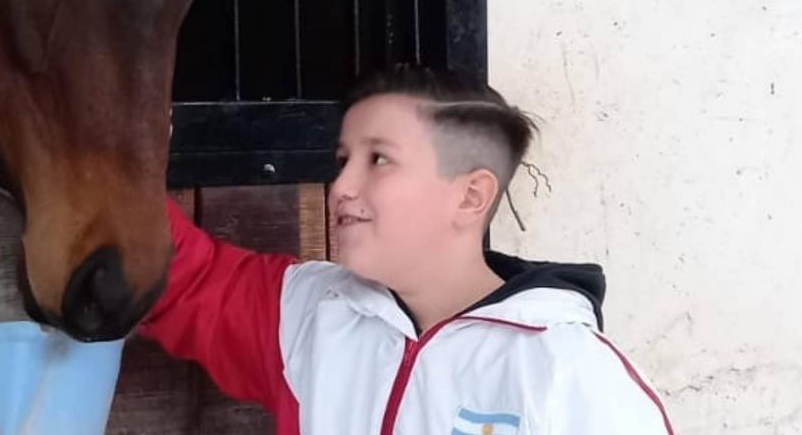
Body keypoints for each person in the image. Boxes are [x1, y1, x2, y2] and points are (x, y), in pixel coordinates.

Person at [139, 65, 675, 434]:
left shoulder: (568, 373)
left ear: (470, 196)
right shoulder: (309, 312)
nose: (340, 185)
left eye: (378, 160)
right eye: (343, 158)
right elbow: (176, 273)